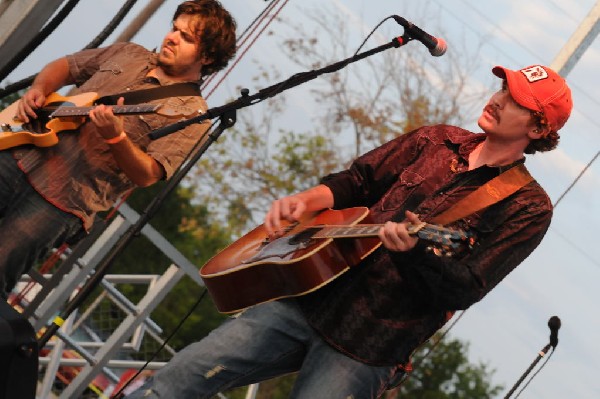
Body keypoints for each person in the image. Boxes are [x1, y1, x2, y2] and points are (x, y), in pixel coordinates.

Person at [126, 64, 573, 399]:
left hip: (367, 346)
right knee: (177, 379)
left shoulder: (528, 206)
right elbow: (358, 181)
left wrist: (415, 253)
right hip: (308, 297)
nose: (496, 99)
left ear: (538, 127)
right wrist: (310, 199)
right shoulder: (435, 140)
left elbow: (468, 287)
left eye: (514, 100)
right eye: (501, 88)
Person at [0, 0, 236, 298]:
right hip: (18, 153)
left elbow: (148, 174)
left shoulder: (192, 114)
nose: (172, 37)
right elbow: (65, 66)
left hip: (60, 200)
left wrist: (116, 138)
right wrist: (39, 89)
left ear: (208, 55)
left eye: (186, 37)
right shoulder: (130, 53)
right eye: (174, 29)